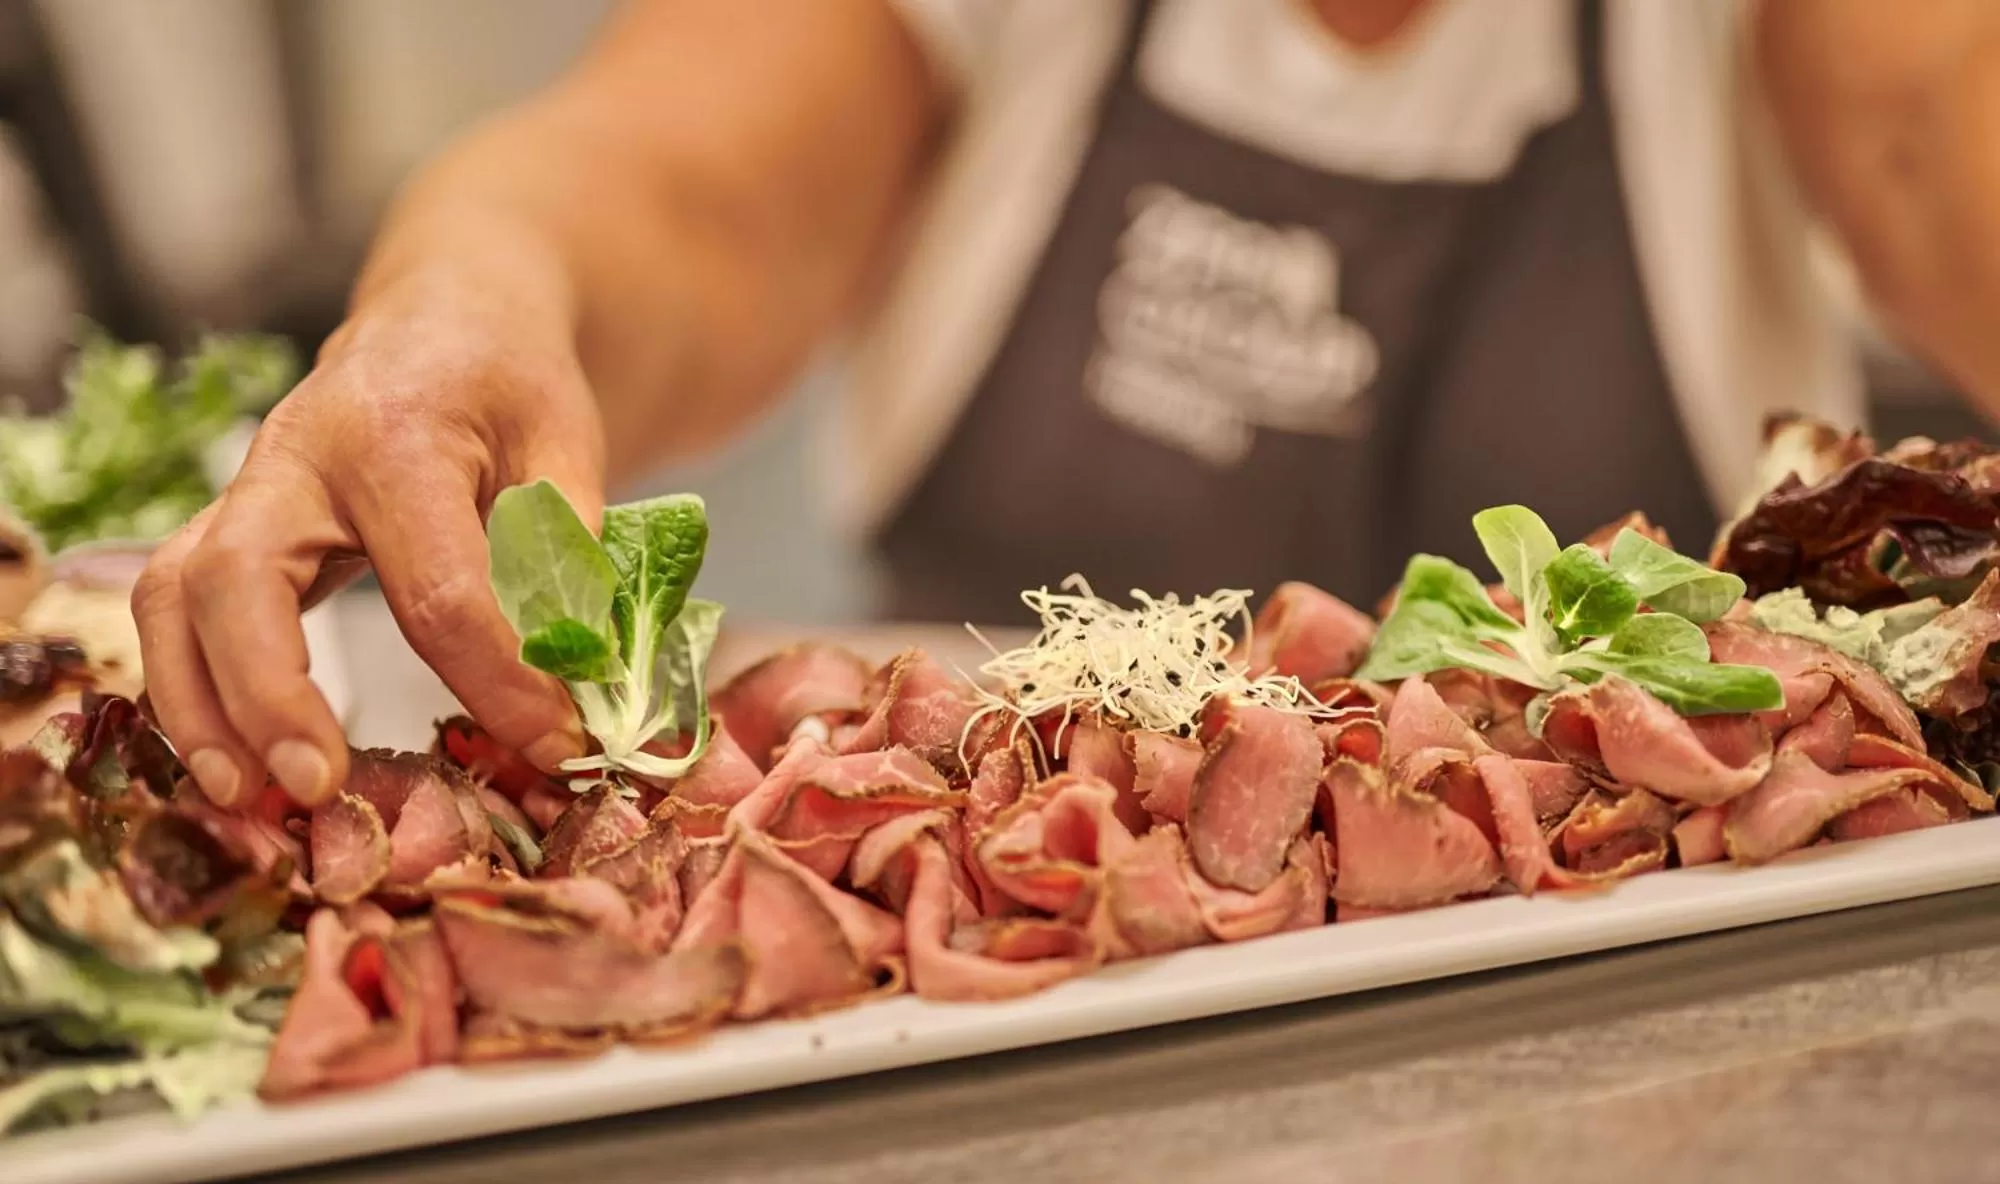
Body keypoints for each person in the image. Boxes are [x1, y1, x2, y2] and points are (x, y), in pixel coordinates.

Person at [133, 0, 2000, 809]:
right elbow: (646, 189)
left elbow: (1953, 145)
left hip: (1631, 1070)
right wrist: (453, 316)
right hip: (981, 1075)